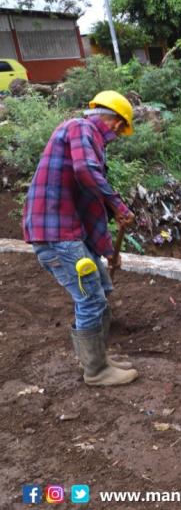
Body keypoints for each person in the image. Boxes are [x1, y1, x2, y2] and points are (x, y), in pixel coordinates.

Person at [23, 90, 138, 386]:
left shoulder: (79, 134)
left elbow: (88, 202)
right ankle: (96, 371)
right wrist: (119, 204)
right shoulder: (81, 128)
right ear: (113, 121)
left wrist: (106, 249)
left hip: (66, 231)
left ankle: (99, 358)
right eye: (118, 127)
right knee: (89, 297)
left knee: (100, 284)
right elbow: (87, 171)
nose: (115, 134)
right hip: (56, 233)